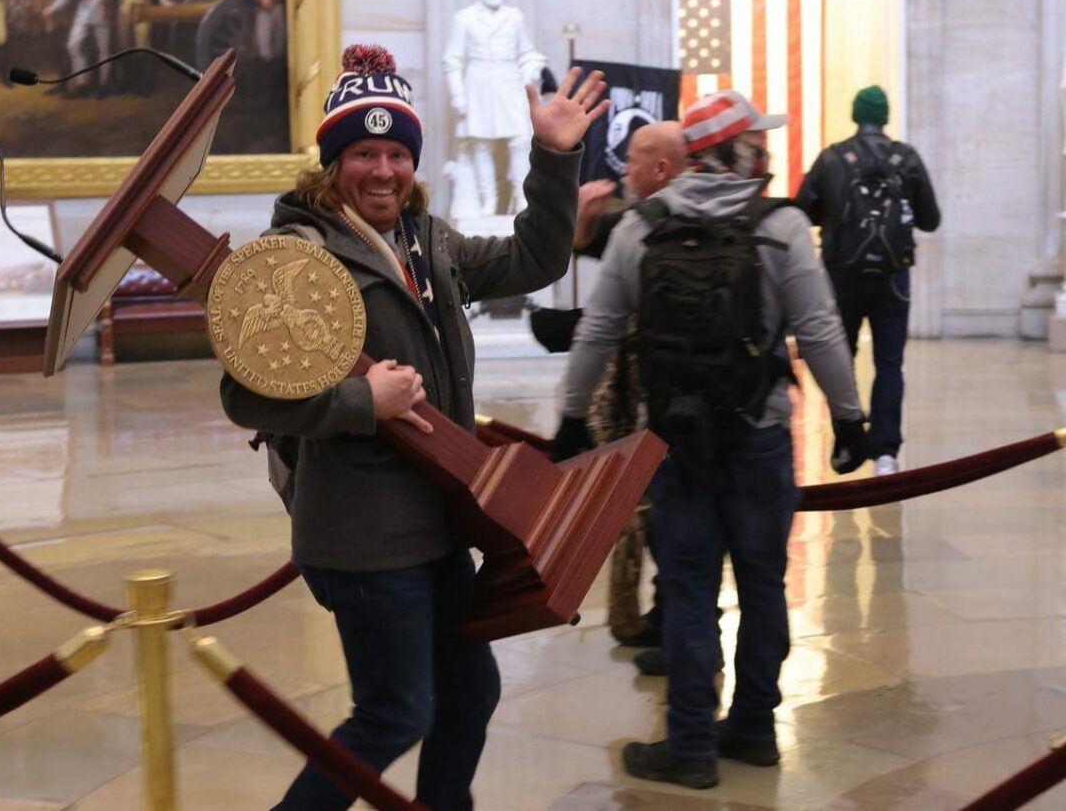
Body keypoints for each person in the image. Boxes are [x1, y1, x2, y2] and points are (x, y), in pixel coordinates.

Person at [220, 42, 607, 810]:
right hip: (361, 535)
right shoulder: (294, 258)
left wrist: (553, 157)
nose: (384, 170)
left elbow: (534, 256)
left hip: (437, 524)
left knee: (467, 697)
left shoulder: (427, 243)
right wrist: (365, 404)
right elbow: (246, 399)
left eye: (397, 152)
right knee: (395, 711)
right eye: (364, 152)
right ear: (332, 164)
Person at [552, 89, 869, 789]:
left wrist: (570, 416)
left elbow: (600, 329)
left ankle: (690, 743)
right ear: (740, 150)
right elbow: (818, 329)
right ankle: (754, 728)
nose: (768, 147)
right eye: (760, 138)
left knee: (690, 587)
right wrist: (849, 418)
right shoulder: (780, 226)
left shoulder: (643, 227)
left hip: (675, 439)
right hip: (757, 435)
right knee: (762, 586)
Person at [569, 120, 686, 651]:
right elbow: (584, 247)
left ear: (662, 167)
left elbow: (601, 323)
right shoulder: (634, 221)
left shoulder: (656, 224)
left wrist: (571, 414)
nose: (624, 168)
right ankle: (663, 616)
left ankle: (669, 622)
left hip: (661, 402)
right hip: (655, 399)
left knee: (666, 516)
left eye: (635, 158)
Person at [795, 85, 941, 475]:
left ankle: (848, 439)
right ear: (885, 116)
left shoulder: (831, 158)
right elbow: (931, 219)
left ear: (856, 115)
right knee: (890, 363)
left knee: (839, 359)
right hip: (893, 278)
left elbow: (801, 211)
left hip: (843, 276)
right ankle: (887, 453)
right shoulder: (906, 158)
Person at [442, 0, 547, 216]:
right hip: (478, 83)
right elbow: (452, 59)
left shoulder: (514, 17)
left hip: (508, 81)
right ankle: (489, 199)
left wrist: (533, 66)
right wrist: (458, 94)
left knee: (520, 140)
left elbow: (526, 51)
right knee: (481, 144)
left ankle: (522, 196)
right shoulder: (465, 18)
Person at [43, 0, 124, 98]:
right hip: (85, 7)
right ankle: (82, 84)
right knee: (73, 45)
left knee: (103, 48)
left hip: (101, 5)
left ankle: (103, 85)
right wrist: (55, 6)